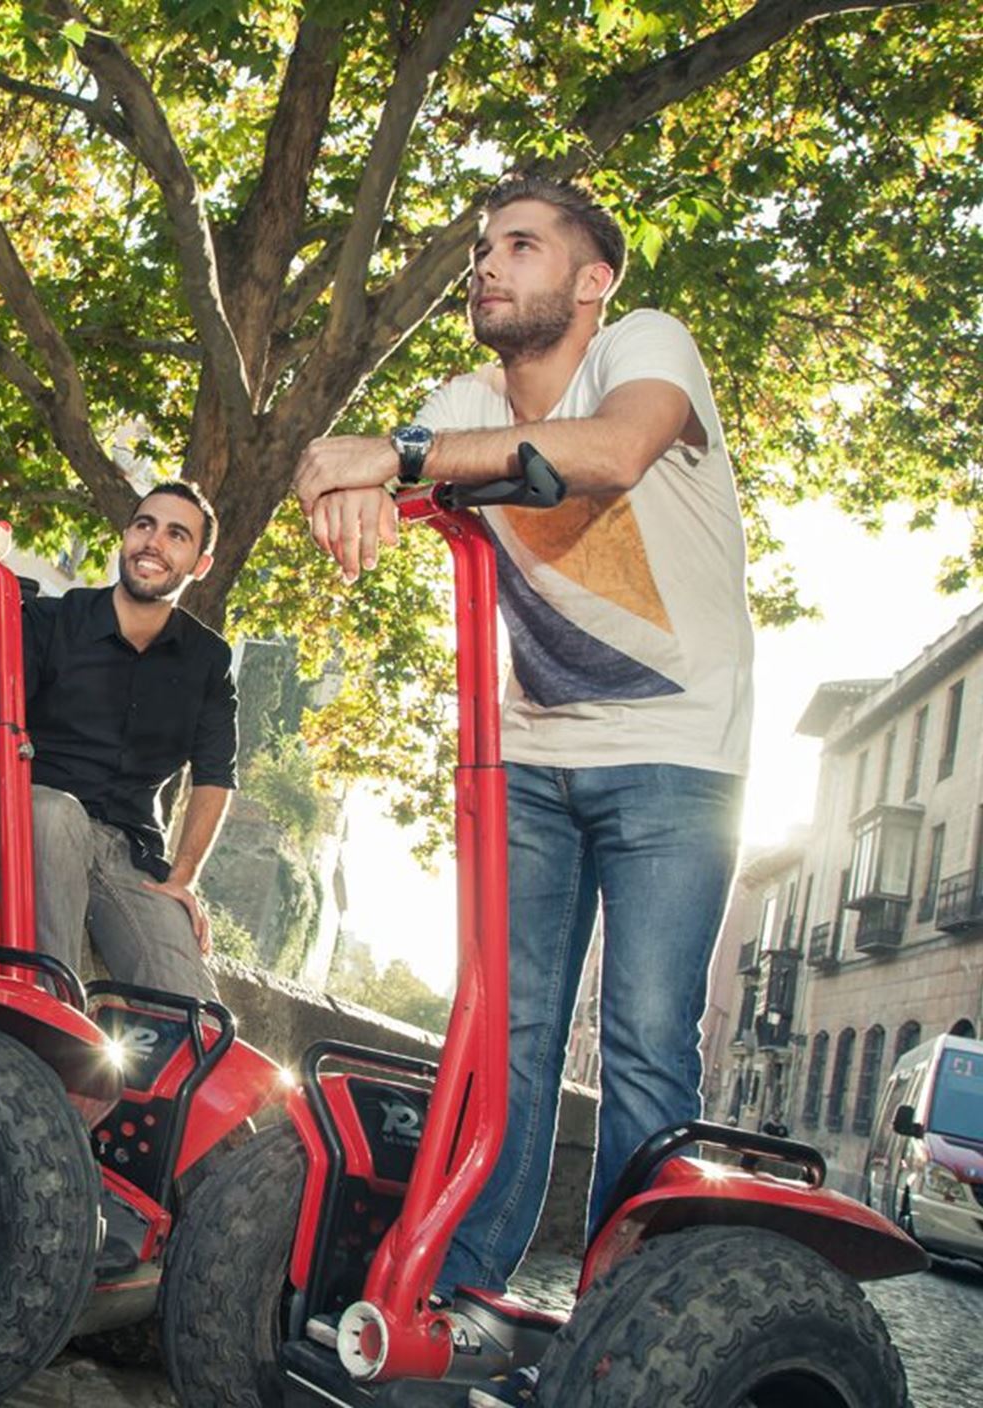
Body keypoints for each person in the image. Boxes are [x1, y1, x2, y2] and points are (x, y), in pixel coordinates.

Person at [294, 173, 752, 1401]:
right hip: (536, 757)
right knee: (509, 1030)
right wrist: (336, 485)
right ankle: (465, 1294)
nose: (487, 264)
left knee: (651, 1042)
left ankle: (630, 1326)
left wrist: (387, 459)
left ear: (589, 280)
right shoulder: (465, 400)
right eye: (483, 246)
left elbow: (605, 456)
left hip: (676, 751)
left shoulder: (642, 349)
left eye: (521, 246)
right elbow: (342, 471)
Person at [0, 482, 237, 1003]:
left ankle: (166, 1070)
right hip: (31, 819)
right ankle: (53, 1014)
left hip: (129, 852)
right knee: (56, 814)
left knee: (192, 1008)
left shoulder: (209, 660)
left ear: (199, 564)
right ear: (125, 536)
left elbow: (214, 776)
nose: (153, 542)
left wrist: (183, 878)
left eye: (176, 535)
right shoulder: (49, 623)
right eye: (144, 525)